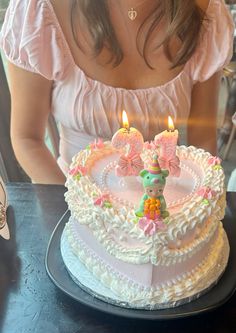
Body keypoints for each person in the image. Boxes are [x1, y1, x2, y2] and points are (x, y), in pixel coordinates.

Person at [0, 0, 234, 185]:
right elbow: (27, 139)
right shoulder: (38, 10)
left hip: (162, 201)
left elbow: (202, 142)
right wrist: (74, 213)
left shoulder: (206, 14)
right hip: (68, 197)